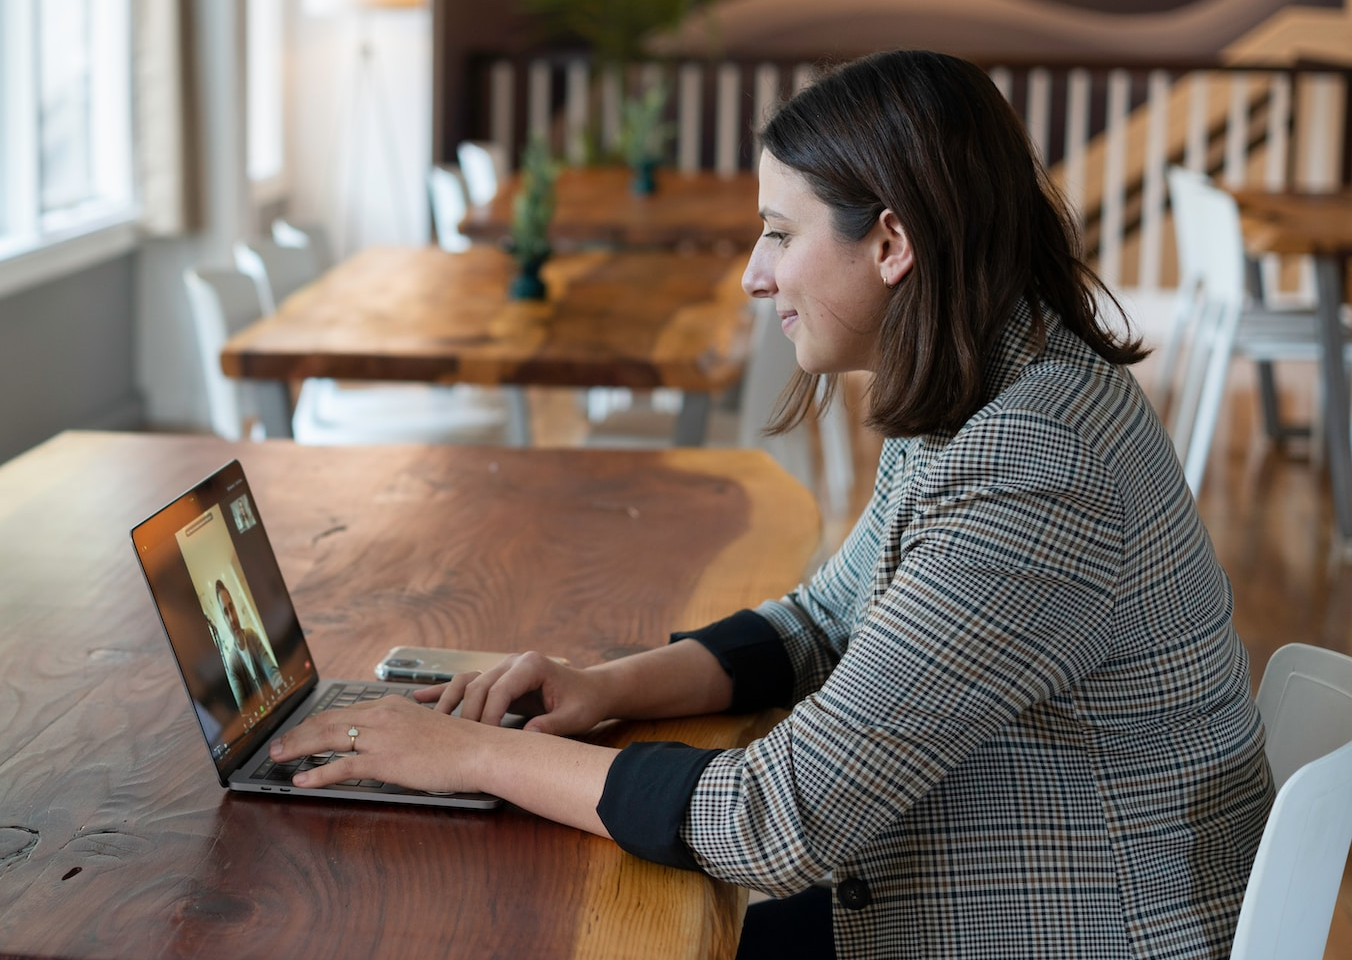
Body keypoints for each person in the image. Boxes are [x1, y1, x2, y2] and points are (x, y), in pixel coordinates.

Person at [268, 50, 1273, 960]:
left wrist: (468, 757)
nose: (754, 275)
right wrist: (605, 687)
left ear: (891, 243)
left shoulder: (1039, 459)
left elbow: (775, 821)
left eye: (780, 234)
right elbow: (824, 622)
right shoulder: (991, 377)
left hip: (1095, 932)